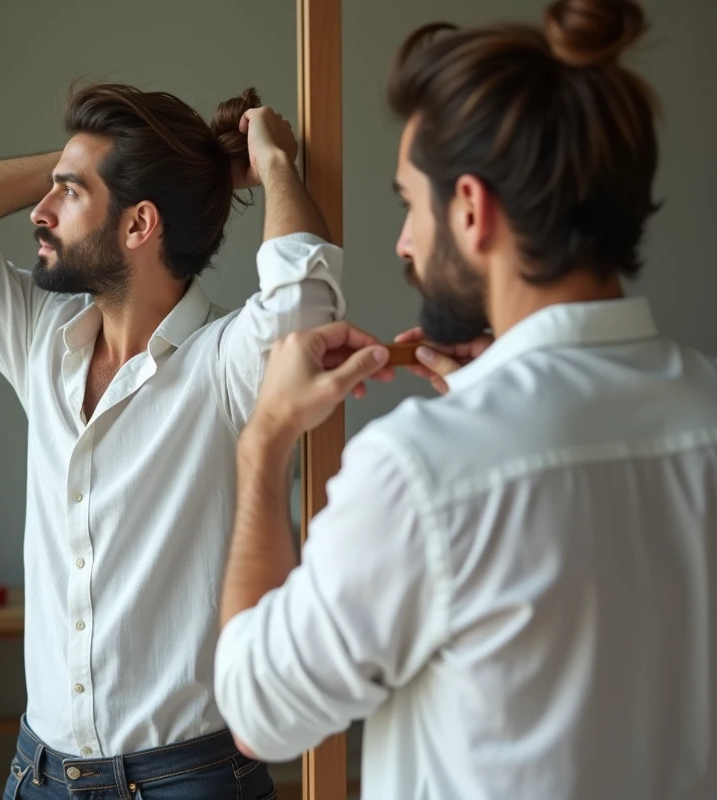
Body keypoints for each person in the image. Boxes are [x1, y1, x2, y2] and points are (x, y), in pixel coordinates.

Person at [214, 1, 717, 798]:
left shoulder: (422, 473)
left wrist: (265, 437)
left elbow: (257, 711)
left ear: (473, 211)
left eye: (411, 204)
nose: (403, 242)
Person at [0, 83, 361, 798]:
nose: (39, 214)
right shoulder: (40, 337)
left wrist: (274, 163)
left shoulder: (226, 362)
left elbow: (304, 307)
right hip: (37, 773)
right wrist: (87, 164)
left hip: (189, 779)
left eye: (68, 196)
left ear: (139, 225)